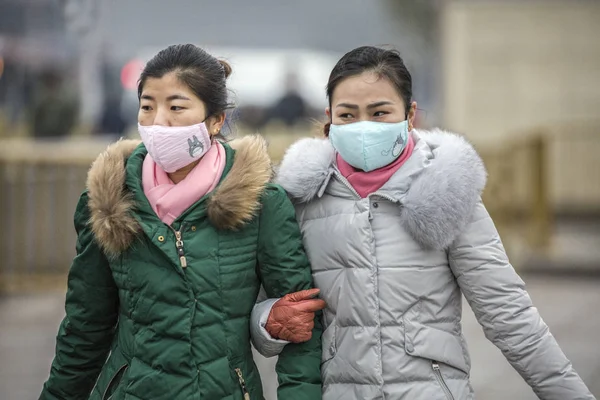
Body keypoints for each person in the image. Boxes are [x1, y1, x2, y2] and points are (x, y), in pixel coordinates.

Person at [252, 46, 595, 399]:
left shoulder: (446, 192)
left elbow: (510, 315)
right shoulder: (301, 199)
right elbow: (257, 308)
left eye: (380, 112)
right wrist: (269, 324)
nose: (363, 126)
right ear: (329, 118)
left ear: (410, 114)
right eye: (348, 115)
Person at [39, 44, 324, 400]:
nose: (158, 122)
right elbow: (85, 328)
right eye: (147, 106)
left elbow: (302, 325)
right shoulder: (110, 200)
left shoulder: (260, 203)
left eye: (176, 107)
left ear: (216, 120)